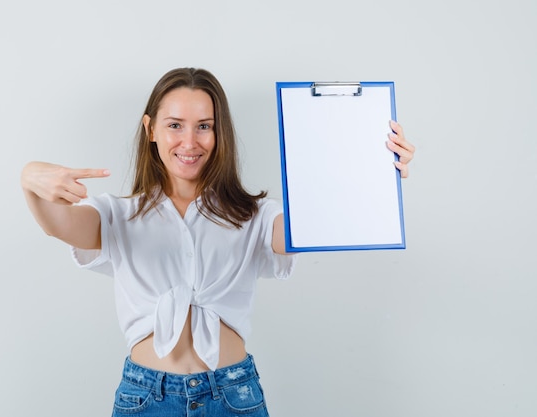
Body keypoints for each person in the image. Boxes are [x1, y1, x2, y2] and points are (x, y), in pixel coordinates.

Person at [21, 67, 415, 416]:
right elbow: (60, 225)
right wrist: (31, 177)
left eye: (204, 126)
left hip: (232, 396)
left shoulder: (256, 215)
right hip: (146, 399)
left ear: (218, 132)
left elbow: (314, 229)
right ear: (150, 129)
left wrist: (371, 165)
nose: (189, 142)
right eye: (175, 125)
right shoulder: (118, 215)